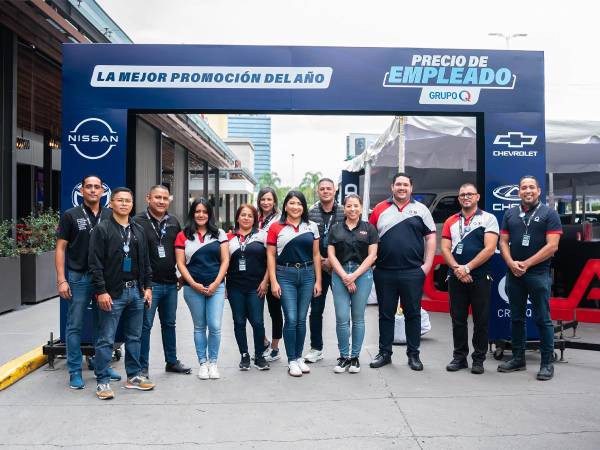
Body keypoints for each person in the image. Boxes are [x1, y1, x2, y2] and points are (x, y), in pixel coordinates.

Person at [89, 187, 155, 400]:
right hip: (112, 293)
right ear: (111, 203)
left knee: (134, 337)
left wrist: (147, 287)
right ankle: (102, 382)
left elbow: (145, 262)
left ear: (132, 204)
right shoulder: (103, 229)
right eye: (120, 200)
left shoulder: (138, 230)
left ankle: (134, 376)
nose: (124, 204)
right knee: (106, 339)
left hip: (136, 291)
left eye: (128, 200)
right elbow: (95, 263)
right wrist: (101, 291)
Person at [55, 174, 118, 390]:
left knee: (104, 324)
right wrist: (62, 279)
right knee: (75, 325)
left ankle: (102, 366)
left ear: (103, 191)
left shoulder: (111, 215)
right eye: (88, 187)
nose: (92, 190)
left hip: (104, 278)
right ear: (81, 190)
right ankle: (74, 371)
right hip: (78, 276)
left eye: (97, 187)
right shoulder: (70, 215)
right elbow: (61, 248)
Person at [369, 172, 436, 371]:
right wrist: (373, 264)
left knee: (413, 314)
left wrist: (427, 266)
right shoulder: (380, 209)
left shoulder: (421, 209)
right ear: (392, 187)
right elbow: (371, 238)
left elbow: (431, 238)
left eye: (405, 185)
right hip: (384, 271)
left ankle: (413, 355)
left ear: (411, 188)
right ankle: (385, 353)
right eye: (398, 184)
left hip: (412, 272)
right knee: (385, 314)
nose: (401, 188)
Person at [498, 175, 562, 381]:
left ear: (538, 190)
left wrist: (527, 264)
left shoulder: (549, 214)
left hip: (538, 273)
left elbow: (552, 246)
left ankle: (546, 363)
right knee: (516, 318)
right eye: (524, 187)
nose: (527, 191)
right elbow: (503, 242)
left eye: (531, 187)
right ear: (519, 192)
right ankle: (518, 358)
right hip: (514, 273)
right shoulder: (510, 213)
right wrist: (511, 263)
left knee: (543, 319)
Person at [441, 183, 498, 374]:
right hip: (456, 276)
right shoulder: (450, 221)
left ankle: (478, 359)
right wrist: (457, 269)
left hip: (481, 276)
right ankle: (459, 357)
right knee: (458, 319)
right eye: (462, 194)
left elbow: (489, 249)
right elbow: (445, 249)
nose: (466, 197)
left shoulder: (488, 219)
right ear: (459, 198)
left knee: (481, 320)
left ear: (477, 197)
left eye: (470, 194)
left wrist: (467, 268)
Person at [134, 185, 191, 377]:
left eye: (165, 198)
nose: (161, 201)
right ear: (148, 198)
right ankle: (143, 366)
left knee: (170, 324)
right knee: (145, 326)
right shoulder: (138, 222)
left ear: (169, 200)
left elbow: (184, 250)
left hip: (170, 284)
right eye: (157, 197)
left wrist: (183, 275)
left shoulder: (174, 222)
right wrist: (143, 284)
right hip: (149, 286)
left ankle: (172, 361)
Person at [267, 191, 321, 377]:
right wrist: (273, 281)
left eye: (299, 203)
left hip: (307, 275)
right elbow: (271, 255)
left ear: (304, 206)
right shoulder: (276, 227)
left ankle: (298, 357)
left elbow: (315, 255)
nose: (295, 207)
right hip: (285, 275)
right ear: (285, 206)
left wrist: (318, 281)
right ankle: (291, 360)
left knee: (301, 318)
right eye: (292, 203)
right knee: (290, 318)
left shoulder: (311, 226)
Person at [175, 198, 229, 380]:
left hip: (217, 287)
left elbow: (225, 261)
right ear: (192, 213)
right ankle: (203, 363)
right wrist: (193, 283)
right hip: (192, 288)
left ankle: (213, 363)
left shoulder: (219, 233)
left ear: (209, 214)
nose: (201, 215)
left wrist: (216, 283)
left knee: (214, 325)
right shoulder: (183, 235)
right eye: (197, 211)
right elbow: (181, 264)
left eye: (205, 212)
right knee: (199, 327)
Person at [327, 194, 378, 373]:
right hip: (339, 274)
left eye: (356, 206)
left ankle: (355, 357)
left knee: (358, 318)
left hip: (362, 274)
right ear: (345, 208)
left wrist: (354, 276)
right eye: (349, 206)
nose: (353, 209)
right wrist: (345, 276)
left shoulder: (369, 229)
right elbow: (331, 255)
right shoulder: (335, 229)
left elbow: (372, 256)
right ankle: (344, 357)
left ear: (361, 207)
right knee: (342, 318)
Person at [305, 178, 345, 363]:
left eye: (329, 188)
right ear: (318, 191)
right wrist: (321, 260)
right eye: (322, 189)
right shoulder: (311, 213)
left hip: (339, 268)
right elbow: (306, 239)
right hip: (317, 269)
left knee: (342, 310)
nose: (326, 191)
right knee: (316, 310)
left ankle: (345, 351)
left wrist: (333, 260)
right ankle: (316, 348)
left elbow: (350, 239)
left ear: (335, 190)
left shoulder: (344, 212)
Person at [227, 204, 270, 371]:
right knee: (239, 321)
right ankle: (244, 355)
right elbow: (224, 262)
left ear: (255, 219)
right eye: (243, 215)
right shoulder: (229, 238)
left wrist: (265, 281)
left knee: (258, 322)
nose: (246, 218)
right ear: (237, 217)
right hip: (235, 286)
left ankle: (259, 356)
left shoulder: (262, 235)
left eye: (250, 215)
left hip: (256, 286)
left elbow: (270, 260)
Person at [257, 187, 283, 362]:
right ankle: (264, 341)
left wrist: (267, 279)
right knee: (253, 313)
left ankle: (274, 347)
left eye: (269, 199)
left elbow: (274, 252)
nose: (266, 203)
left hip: (273, 271)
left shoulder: (280, 220)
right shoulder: (254, 219)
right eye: (263, 199)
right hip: (254, 270)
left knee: (275, 311)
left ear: (274, 201)